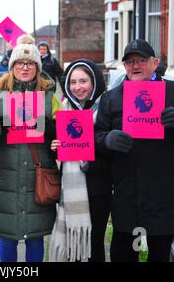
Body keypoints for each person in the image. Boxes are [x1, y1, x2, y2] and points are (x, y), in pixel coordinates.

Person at [95, 39, 174, 262]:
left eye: (141, 61)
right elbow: (96, 136)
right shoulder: (111, 98)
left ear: (155, 63)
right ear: (124, 66)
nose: (135, 66)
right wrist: (107, 139)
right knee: (123, 255)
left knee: (158, 256)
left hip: (163, 194)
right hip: (128, 194)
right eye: (130, 62)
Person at [0, 35, 62, 262]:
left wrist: (49, 131)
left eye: (30, 63)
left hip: (37, 172)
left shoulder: (49, 96)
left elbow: (59, 136)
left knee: (35, 236)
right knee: (7, 236)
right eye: (19, 63)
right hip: (5, 173)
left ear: (37, 67)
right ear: (12, 66)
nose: (25, 68)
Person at [49, 59, 112, 262]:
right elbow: (58, 158)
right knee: (72, 247)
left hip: (99, 190)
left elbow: (113, 152)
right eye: (73, 82)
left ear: (94, 82)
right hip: (70, 190)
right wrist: (55, 149)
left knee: (94, 245)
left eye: (83, 81)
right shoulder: (63, 110)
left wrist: (89, 159)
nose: (78, 87)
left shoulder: (105, 109)